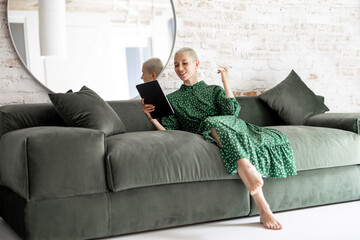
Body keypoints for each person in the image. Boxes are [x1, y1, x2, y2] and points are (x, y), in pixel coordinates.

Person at [142, 47, 297, 230]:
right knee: (212, 126)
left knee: (216, 123)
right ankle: (264, 208)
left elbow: (232, 113)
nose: (179, 68)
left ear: (196, 64)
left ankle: (248, 171)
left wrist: (226, 83)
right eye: (176, 65)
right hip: (210, 133)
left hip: (233, 128)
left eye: (184, 63)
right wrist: (151, 118)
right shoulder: (172, 100)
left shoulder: (213, 90)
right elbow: (170, 131)